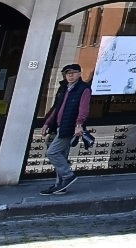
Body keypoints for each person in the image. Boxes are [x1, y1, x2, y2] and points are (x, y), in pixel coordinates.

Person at [40, 63, 90, 195]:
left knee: (52, 152)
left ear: (79, 74)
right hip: (59, 126)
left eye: (73, 73)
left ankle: (68, 176)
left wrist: (79, 125)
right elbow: (57, 108)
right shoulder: (64, 88)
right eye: (68, 74)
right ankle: (60, 185)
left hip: (69, 127)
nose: (70, 76)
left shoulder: (83, 89)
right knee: (61, 156)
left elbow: (83, 110)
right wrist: (47, 123)